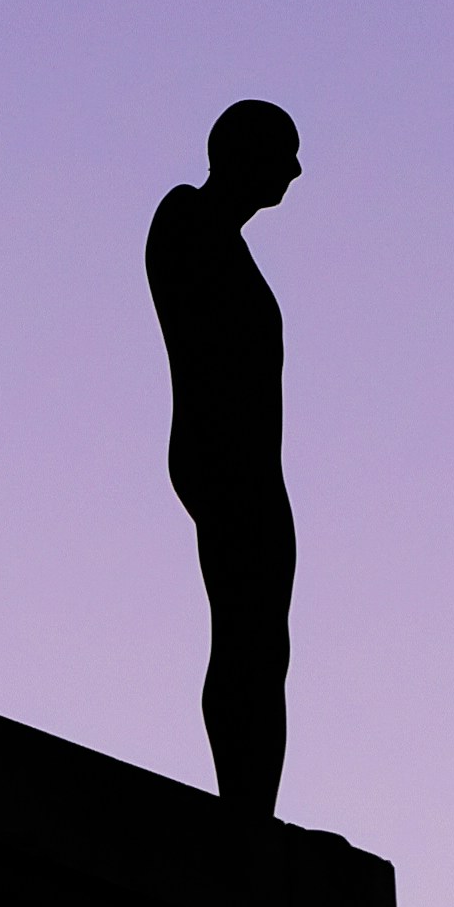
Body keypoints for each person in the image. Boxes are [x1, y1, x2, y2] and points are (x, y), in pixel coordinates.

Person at [145, 100, 302, 818]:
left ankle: (252, 808)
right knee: (248, 635)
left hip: (247, 464)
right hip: (226, 458)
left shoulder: (222, 240)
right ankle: (245, 814)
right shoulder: (187, 218)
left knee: (262, 642)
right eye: (284, 151)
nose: (296, 170)